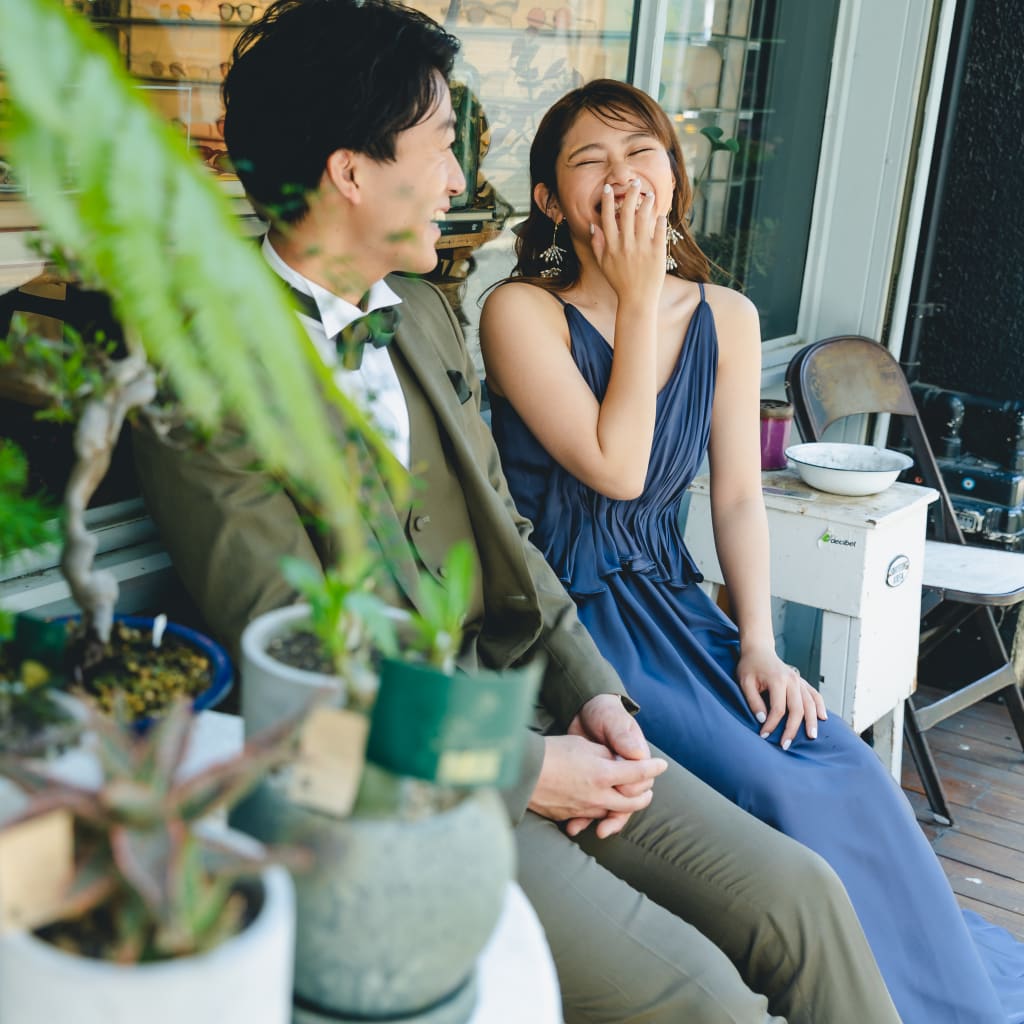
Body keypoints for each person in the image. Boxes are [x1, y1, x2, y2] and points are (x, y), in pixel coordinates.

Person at [130, 3, 903, 1021]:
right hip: (387, 780)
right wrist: (530, 766)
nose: (459, 182)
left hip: (533, 705)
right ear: (350, 172)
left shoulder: (420, 311)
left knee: (803, 896)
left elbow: (509, 540)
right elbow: (302, 677)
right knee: (706, 998)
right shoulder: (199, 372)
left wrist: (595, 698)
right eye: (443, 145)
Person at [479, 77, 1024, 1024]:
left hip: (674, 599)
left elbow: (734, 497)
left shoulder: (727, 317)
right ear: (549, 201)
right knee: (775, 789)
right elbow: (617, 468)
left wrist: (761, 642)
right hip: (567, 622)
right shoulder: (520, 310)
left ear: (677, 177)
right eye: (588, 160)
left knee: (847, 769)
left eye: (640, 151)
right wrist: (642, 296)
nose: (621, 177)